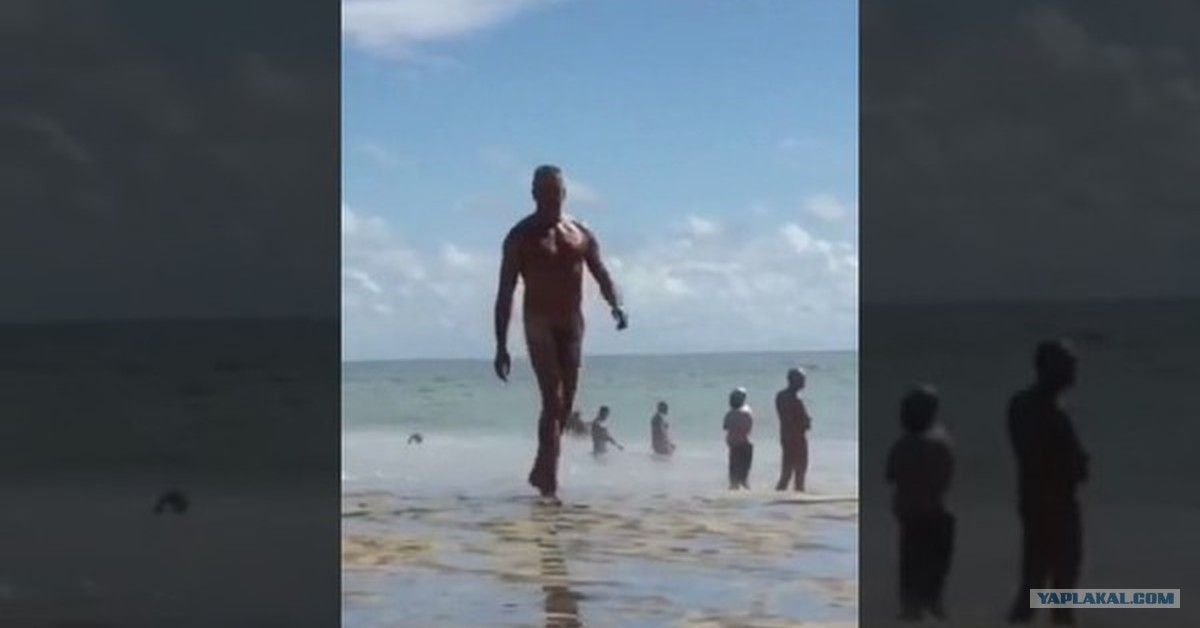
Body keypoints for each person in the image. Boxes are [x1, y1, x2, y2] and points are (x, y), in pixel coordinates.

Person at [493, 165, 628, 500]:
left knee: (565, 406)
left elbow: (601, 273)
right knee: (552, 400)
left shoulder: (580, 233)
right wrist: (501, 345)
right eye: (545, 191)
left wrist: (616, 304)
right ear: (534, 194)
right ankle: (549, 483)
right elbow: (505, 292)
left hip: (572, 325)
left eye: (557, 191)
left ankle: (542, 470)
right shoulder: (520, 236)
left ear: (565, 193)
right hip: (538, 324)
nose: (552, 197)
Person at [1007, 340, 1089, 626]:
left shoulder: (1021, 405)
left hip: (1033, 499)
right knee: (1062, 575)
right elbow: (1064, 463)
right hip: (1056, 502)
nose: (1072, 373)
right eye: (1067, 366)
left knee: (1034, 576)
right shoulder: (1053, 413)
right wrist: (1078, 462)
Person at [886, 385, 955, 621]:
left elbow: (890, 475)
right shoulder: (939, 444)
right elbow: (945, 478)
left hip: (908, 512)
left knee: (910, 560)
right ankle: (933, 600)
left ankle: (910, 606)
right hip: (934, 511)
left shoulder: (901, 446)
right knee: (937, 559)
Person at [775, 368, 812, 491]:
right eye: (801, 380)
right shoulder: (795, 399)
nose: (804, 382)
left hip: (786, 436)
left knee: (787, 470)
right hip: (796, 437)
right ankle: (798, 495)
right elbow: (794, 419)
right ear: (793, 380)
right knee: (800, 469)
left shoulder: (781, 396)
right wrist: (806, 422)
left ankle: (782, 495)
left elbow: (786, 417)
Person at [723, 388, 754, 490]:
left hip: (732, 442)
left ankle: (733, 483)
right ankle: (744, 479)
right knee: (745, 462)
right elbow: (748, 428)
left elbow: (725, 427)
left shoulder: (729, 414)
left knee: (733, 463)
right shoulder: (746, 413)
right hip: (743, 441)